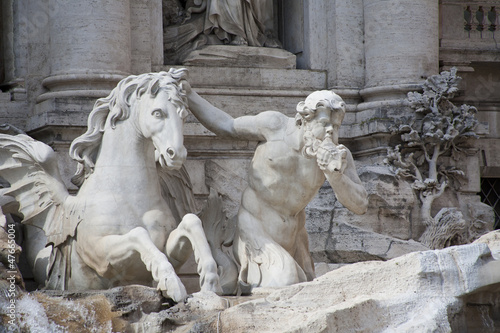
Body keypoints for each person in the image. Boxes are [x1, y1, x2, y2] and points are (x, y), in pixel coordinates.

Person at [182, 81, 369, 292]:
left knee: (305, 290)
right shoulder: (275, 126)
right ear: (303, 121)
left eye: (335, 126)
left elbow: (360, 205)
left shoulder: (339, 156)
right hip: (255, 228)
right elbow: (227, 125)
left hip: (294, 237)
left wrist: (335, 176)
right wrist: (189, 95)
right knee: (287, 281)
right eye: (324, 123)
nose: (329, 132)